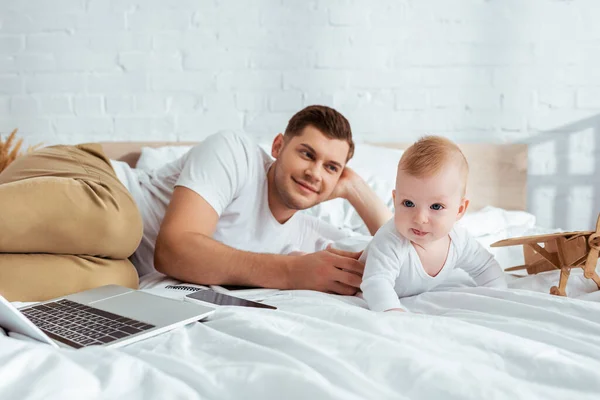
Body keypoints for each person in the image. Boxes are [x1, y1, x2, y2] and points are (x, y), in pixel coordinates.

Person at [0, 105, 392, 302]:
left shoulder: (309, 234)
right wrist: (290, 272)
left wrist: (358, 191)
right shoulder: (234, 152)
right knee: (122, 226)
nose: (315, 173)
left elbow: (400, 258)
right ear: (278, 146)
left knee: (116, 287)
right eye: (307, 154)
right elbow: (173, 251)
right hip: (90, 179)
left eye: (332, 167)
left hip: (120, 262)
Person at [360, 136, 507, 312]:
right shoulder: (390, 241)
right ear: (394, 200)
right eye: (408, 203)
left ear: (460, 210)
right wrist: (392, 312)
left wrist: (499, 298)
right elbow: (377, 282)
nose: (420, 218)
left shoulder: (458, 240)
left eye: (436, 206)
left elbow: (485, 266)